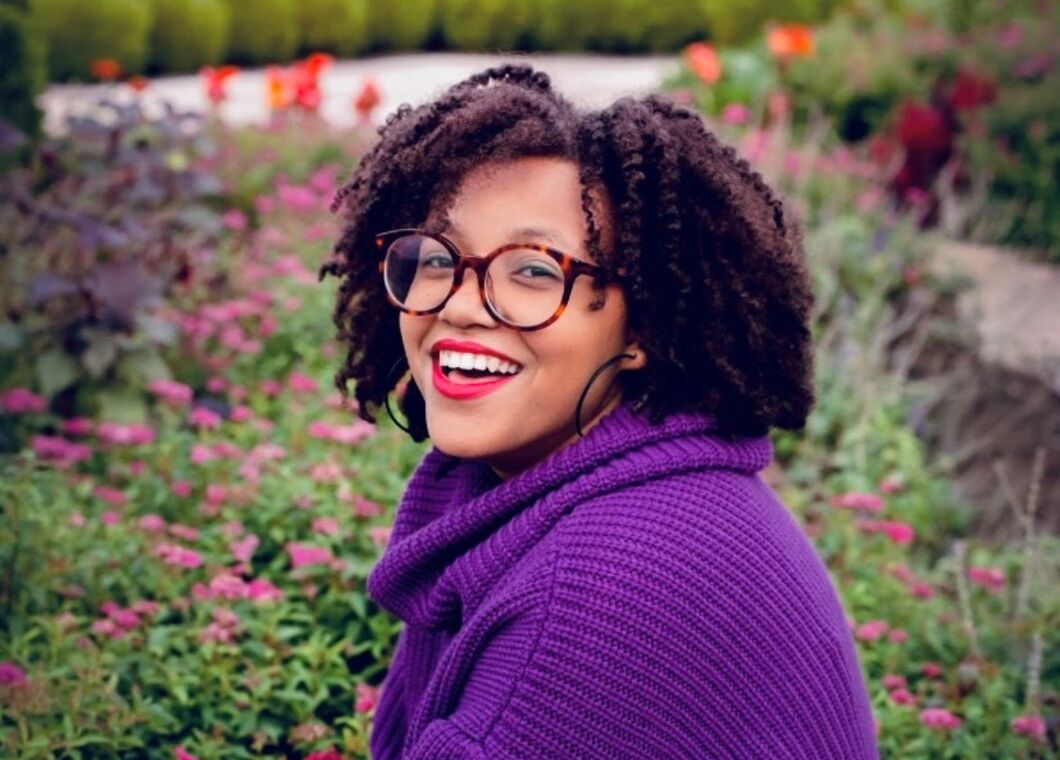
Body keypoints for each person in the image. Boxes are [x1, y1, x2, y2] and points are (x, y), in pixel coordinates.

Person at [319, 63, 879, 759]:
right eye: (437, 257)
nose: (458, 305)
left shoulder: (598, 590)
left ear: (643, 325)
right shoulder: (572, 490)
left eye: (532, 271)